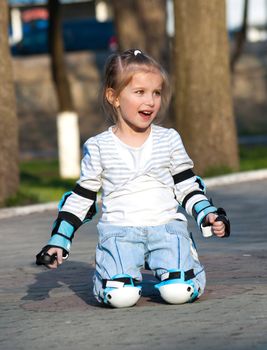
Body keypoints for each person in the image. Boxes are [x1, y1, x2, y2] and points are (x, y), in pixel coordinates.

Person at [36, 48, 230, 308]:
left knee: (179, 291)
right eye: (139, 92)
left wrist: (208, 214)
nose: (150, 101)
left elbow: (187, 186)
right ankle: (110, 272)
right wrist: (59, 240)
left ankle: (186, 260)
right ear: (113, 97)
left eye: (156, 92)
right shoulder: (98, 146)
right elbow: (82, 198)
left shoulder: (169, 139)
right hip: (119, 234)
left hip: (167, 229)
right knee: (120, 297)